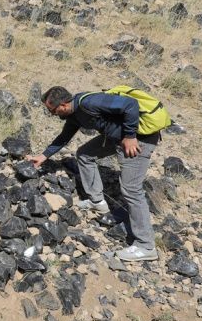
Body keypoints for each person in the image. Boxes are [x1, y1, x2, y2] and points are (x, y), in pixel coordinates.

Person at [26, 86, 161, 262]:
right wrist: (43, 156)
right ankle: (97, 201)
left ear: (64, 105)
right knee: (85, 154)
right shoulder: (74, 115)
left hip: (138, 140)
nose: (52, 115)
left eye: (52, 110)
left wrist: (129, 135)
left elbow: (130, 104)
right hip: (116, 138)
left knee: (131, 189)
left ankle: (146, 246)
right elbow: (64, 137)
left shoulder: (89, 102)